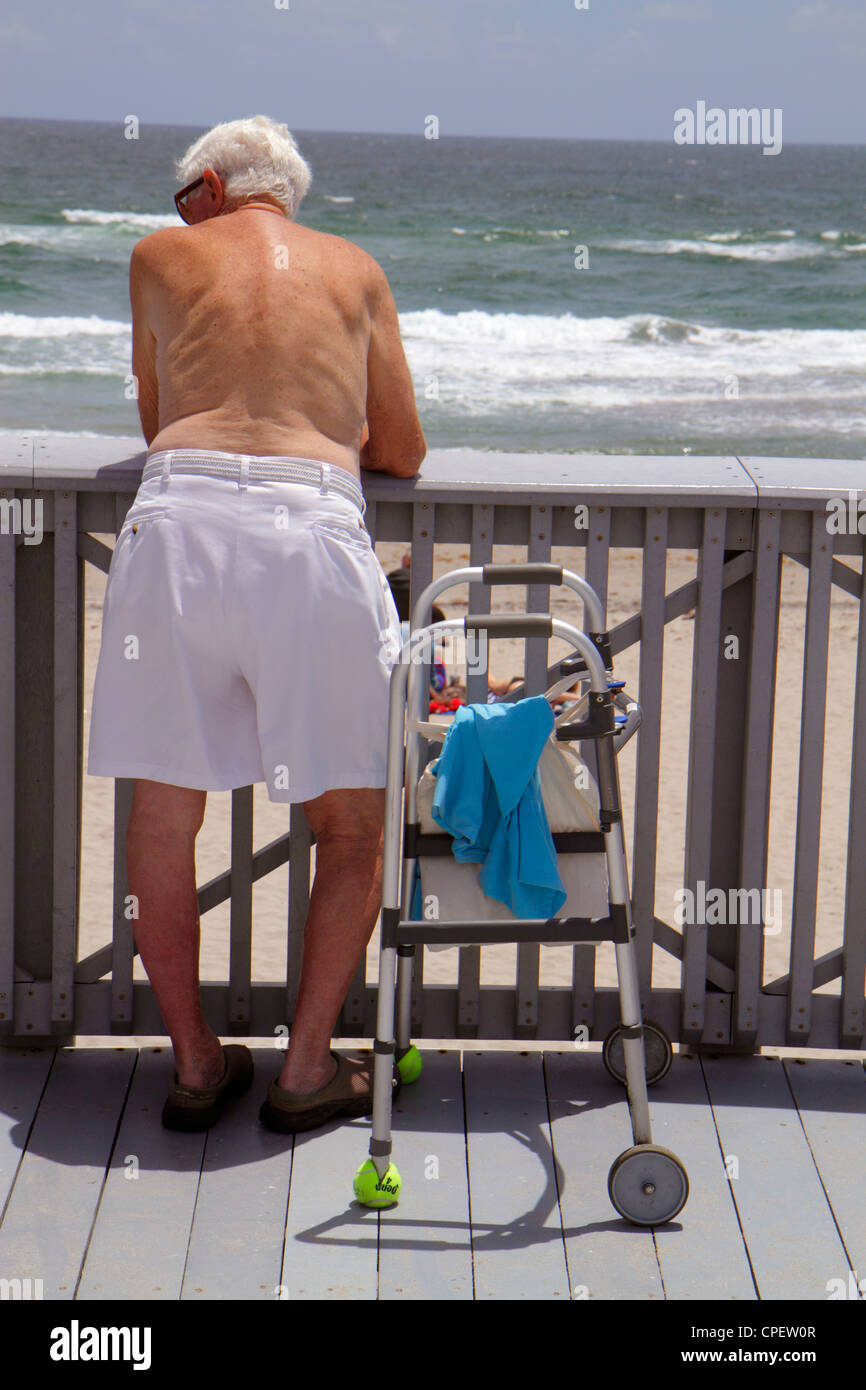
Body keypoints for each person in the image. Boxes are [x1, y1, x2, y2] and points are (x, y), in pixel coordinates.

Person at [87, 116, 426, 1134]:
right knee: (351, 825)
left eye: (182, 190)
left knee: (161, 815)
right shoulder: (354, 267)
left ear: (208, 188)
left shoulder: (158, 255)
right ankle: (307, 1066)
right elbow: (401, 450)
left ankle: (195, 1065)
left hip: (177, 523)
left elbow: (159, 421)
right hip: (310, 534)